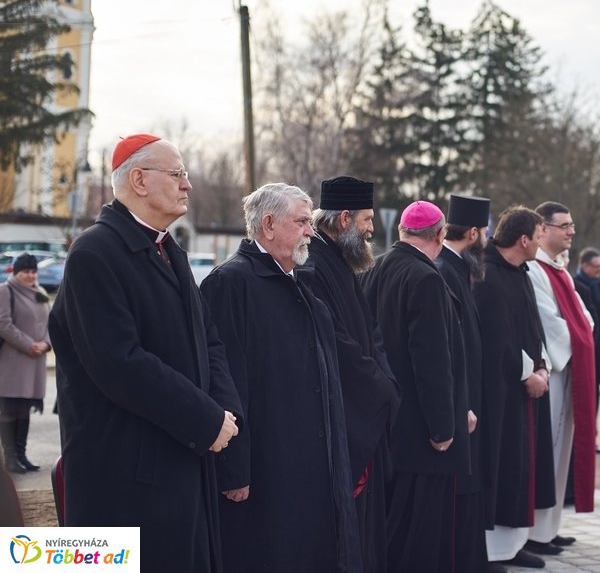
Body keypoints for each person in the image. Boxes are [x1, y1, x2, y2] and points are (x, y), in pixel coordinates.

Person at [49, 134, 241, 573]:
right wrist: (206, 419)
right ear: (138, 179)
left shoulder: (168, 251)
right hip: (121, 478)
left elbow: (208, 340)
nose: (187, 185)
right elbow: (121, 364)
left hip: (178, 463)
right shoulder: (94, 254)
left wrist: (226, 412)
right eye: (177, 174)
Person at [201, 182, 360, 572]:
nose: (310, 230)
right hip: (268, 469)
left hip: (313, 466)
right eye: (302, 221)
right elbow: (225, 381)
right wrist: (234, 468)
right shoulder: (231, 283)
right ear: (268, 224)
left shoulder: (299, 282)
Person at [361, 200, 470, 573]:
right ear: (439, 235)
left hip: (388, 418)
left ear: (402, 231)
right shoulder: (425, 278)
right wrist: (443, 427)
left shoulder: (375, 268)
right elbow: (432, 361)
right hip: (422, 431)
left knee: (393, 521)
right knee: (419, 531)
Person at [308, 176, 401, 573]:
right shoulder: (313, 262)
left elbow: (369, 330)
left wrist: (384, 378)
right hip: (347, 411)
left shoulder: (342, 261)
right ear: (344, 218)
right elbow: (336, 341)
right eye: (365, 219)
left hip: (365, 402)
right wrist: (378, 385)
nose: (371, 228)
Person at [472, 206, 555, 570]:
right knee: (500, 464)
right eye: (538, 236)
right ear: (523, 239)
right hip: (498, 392)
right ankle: (491, 550)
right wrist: (528, 375)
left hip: (523, 387)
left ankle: (515, 542)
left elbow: (532, 326)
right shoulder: (486, 274)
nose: (540, 243)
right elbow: (497, 340)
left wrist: (543, 365)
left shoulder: (521, 272)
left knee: (521, 466)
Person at [525, 201, 597, 552]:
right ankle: (535, 532)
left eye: (572, 225)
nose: (571, 231)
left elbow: (585, 319)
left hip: (569, 371)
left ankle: (550, 528)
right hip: (551, 372)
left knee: (561, 452)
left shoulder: (562, 271)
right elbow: (550, 324)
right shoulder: (534, 270)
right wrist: (579, 334)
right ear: (543, 228)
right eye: (564, 225)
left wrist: (581, 331)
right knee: (546, 453)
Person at [437, 193, 492, 573]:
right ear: (473, 232)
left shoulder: (457, 269)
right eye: (484, 233)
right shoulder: (444, 270)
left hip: (468, 395)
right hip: (461, 399)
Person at [0, 253, 51, 473]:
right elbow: (4, 324)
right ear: (16, 272)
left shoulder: (39, 293)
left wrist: (46, 344)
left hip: (35, 362)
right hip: (13, 362)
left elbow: (51, 322)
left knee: (24, 410)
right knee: (9, 410)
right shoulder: (6, 291)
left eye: (33, 271)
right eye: (25, 272)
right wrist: (29, 345)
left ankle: (21, 454)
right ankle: (10, 456)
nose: (30, 276)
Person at [574, 248, 600, 454]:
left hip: (598, 348)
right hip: (585, 347)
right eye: (596, 267)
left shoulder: (599, 285)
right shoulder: (575, 285)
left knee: (595, 392)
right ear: (585, 265)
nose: (599, 270)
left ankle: (594, 435)